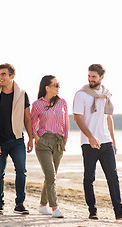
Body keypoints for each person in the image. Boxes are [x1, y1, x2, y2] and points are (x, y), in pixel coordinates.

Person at [73, 64, 122, 220]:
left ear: (101, 77)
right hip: (89, 143)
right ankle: (92, 210)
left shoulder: (106, 94)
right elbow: (77, 118)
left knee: (113, 176)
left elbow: (108, 118)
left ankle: (118, 210)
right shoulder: (81, 94)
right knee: (89, 177)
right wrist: (90, 137)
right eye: (89, 76)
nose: (90, 79)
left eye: (94, 77)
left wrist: (113, 141)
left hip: (106, 141)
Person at [0, 63, 33, 215]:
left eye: (4, 74)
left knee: (21, 170)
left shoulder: (22, 94)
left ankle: (19, 204)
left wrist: (31, 138)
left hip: (17, 140)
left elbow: (27, 118)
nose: (1, 77)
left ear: (12, 76)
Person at [31, 75, 69, 218]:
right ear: (47, 87)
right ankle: (55, 208)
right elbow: (32, 123)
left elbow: (66, 122)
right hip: (43, 142)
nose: (58, 87)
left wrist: (65, 138)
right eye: (56, 85)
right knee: (50, 174)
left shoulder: (62, 102)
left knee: (51, 175)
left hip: (59, 141)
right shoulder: (37, 104)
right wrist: (36, 138)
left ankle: (42, 205)